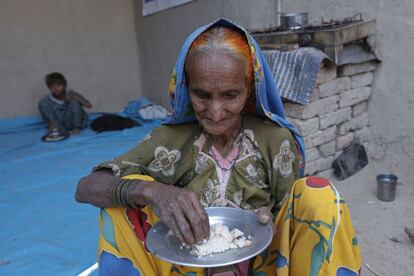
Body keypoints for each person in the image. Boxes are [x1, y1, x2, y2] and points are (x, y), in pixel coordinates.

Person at [75, 19, 361, 275]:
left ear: (249, 89)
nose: (215, 110)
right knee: (119, 204)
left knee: (318, 194)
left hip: (263, 263)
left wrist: (268, 218)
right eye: (202, 95)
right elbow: (87, 187)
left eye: (230, 95)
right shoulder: (170, 140)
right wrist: (154, 191)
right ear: (187, 88)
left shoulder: (274, 140)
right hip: (186, 264)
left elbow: (291, 214)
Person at [38, 72, 91, 141]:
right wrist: (54, 126)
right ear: (49, 88)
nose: (56, 88)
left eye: (59, 85)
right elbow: (49, 117)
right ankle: (59, 129)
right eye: (52, 86)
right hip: (59, 124)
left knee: (74, 101)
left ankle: (77, 128)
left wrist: (74, 97)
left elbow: (88, 105)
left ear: (64, 85)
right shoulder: (47, 101)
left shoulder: (70, 93)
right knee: (42, 103)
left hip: (73, 121)